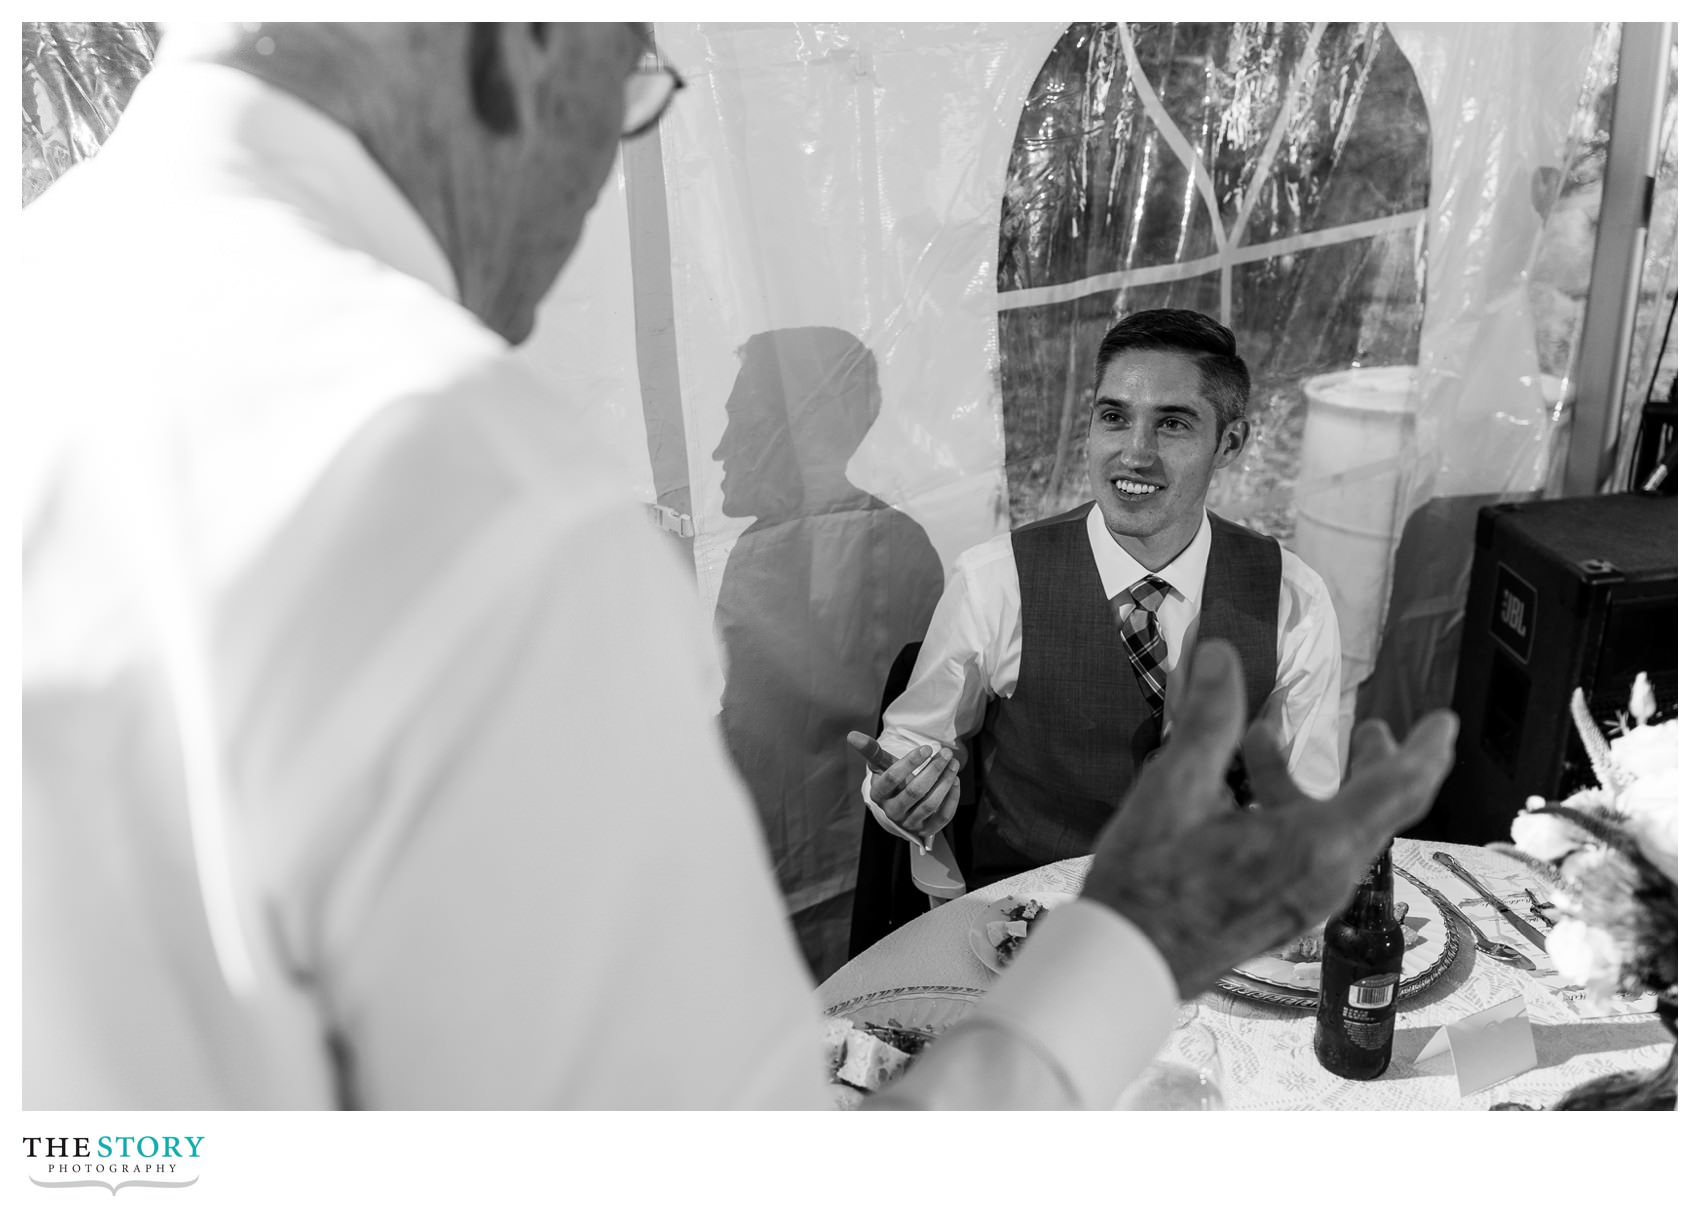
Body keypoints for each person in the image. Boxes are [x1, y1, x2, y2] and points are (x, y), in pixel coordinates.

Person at [21, 22, 1451, 1111]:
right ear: (525, 40)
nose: (599, 176)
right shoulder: (463, 478)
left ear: (1228, 441)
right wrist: (1139, 939)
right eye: (632, 82)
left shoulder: (51, 287)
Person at [854, 308, 1343, 888]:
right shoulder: (995, 580)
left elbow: (1302, 798)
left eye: (1173, 425)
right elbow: (914, 742)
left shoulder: (1295, 598)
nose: (1134, 454)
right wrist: (906, 796)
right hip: (1030, 920)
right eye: (1114, 417)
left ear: (1228, 443)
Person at [713, 328, 944, 980]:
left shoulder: (888, 549)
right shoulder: (758, 553)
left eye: (741, 422)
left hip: (847, 892)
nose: (719, 448)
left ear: (801, 427)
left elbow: (908, 739)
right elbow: (749, 727)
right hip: (767, 880)